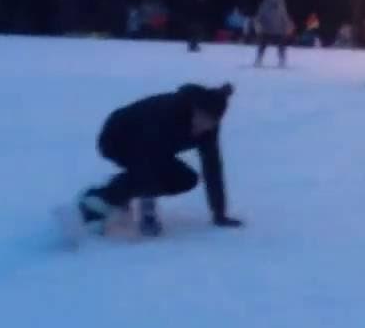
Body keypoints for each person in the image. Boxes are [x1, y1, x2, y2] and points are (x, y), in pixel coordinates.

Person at [62, 83, 243, 238]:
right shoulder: (170, 111)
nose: (201, 128)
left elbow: (212, 166)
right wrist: (148, 209)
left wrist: (219, 213)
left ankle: (120, 189)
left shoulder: (209, 130)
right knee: (147, 173)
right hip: (116, 138)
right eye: (201, 120)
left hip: (153, 149)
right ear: (195, 109)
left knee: (186, 179)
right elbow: (147, 159)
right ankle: (95, 202)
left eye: (209, 124)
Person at [254, 0, 294, 66]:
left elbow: (285, 19)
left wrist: (288, 27)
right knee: (262, 45)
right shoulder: (263, 7)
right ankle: (259, 59)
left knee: (281, 47)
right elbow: (258, 19)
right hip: (266, 31)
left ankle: (282, 60)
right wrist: (258, 27)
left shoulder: (281, 8)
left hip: (279, 31)